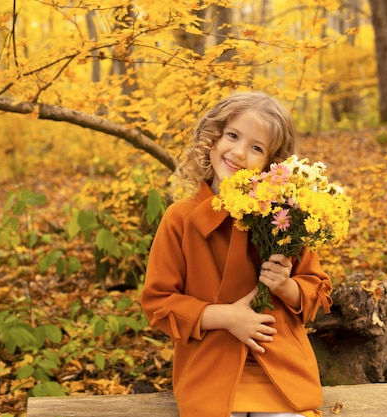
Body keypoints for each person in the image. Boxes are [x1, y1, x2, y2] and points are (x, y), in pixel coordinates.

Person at [141, 91, 333, 417]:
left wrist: (286, 286)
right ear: (212, 139)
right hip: (210, 368)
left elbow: (319, 291)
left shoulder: (286, 217)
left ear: (272, 164)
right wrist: (227, 317)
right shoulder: (180, 219)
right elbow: (158, 303)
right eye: (232, 136)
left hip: (278, 369)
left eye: (256, 148)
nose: (240, 152)